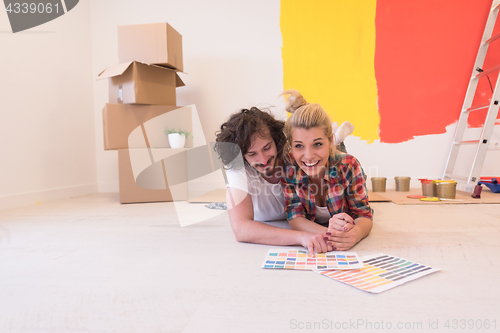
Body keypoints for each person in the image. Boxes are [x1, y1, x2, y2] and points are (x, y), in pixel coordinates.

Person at [214, 107, 333, 254]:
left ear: (276, 141)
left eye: (267, 147)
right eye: (252, 154)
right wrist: (301, 237)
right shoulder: (237, 169)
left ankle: (339, 139)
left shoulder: (294, 157)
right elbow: (241, 229)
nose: (263, 160)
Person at [281, 90, 373, 251]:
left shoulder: (349, 165)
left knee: (339, 155)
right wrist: (331, 234)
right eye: (299, 146)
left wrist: (356, 232)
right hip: (324, 160)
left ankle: (340, 139)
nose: (308, 156)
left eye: (317, 144)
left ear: (330, 141)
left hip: (335, 161)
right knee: (314, 159)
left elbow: (364, 215)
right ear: (291, 147)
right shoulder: (289, 168)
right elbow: (295, 218)